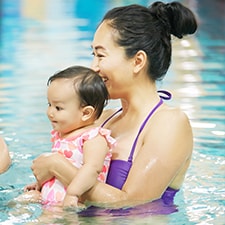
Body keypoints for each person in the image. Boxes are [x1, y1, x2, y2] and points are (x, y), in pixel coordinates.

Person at [30, 1, 197, 209]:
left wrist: (56, 166)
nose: (94, 68)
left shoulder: (169, 124)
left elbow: (132, 203)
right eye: (93, 56)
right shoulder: (101, 119)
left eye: (101, 56)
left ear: (137, 61)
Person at [24, 65, 116, 207]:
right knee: (20, 202)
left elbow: (92, 169)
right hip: (51, 200)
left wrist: (73, 194)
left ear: (86, 113)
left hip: (71, 203)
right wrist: (39, 184)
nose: (50, 112)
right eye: (49, 104)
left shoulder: (94, 138)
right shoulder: (62, 135)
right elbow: (58, 173)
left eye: (58, 108)